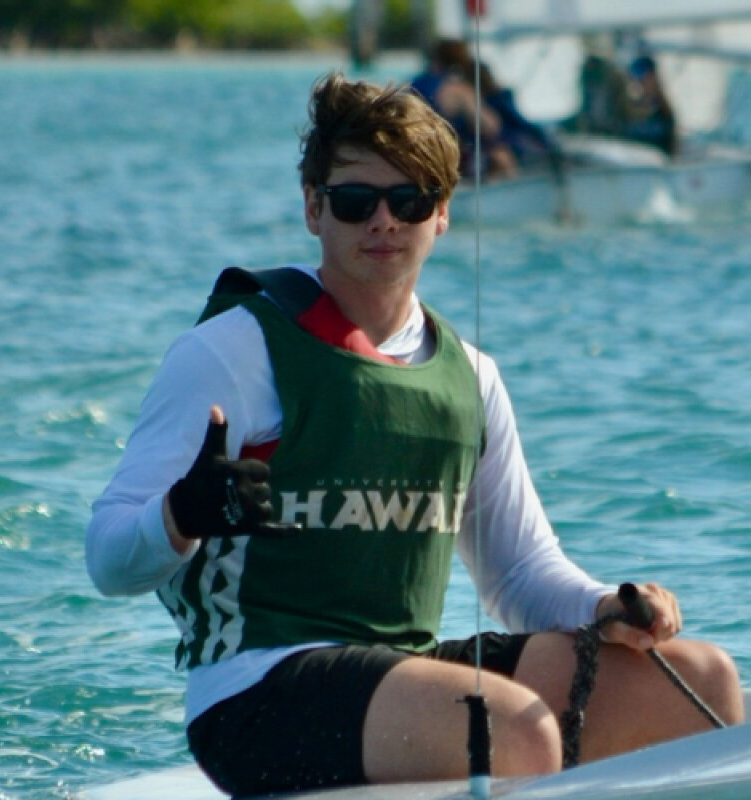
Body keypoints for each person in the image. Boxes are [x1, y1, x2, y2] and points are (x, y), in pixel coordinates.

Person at [86, 72, 744, 798]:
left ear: (443, 214)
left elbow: (520, 573)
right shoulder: (232, 353)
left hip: (403, 676)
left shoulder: (472, 377)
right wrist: (179, 515)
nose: (384, 223)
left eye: (410, 201)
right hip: (256, 693)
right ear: (313, 207)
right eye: (355, 201)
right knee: (515, 729)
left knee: (697, 682)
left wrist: (604, 608)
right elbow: (108, 558)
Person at [412, 39, 516, 179]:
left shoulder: (415, 85)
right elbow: (490, 126)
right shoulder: (457, 89)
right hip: (450, 160)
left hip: (420, 157)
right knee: (500, 153)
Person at [625, 55, 677, 156]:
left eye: (644, 79)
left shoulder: (662, 111)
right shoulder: (634, 106)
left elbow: (669, 143)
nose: (641, 84)